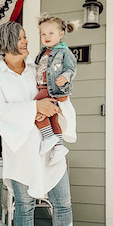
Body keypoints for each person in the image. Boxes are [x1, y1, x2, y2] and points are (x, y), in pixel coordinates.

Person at [0, 21, 91, 226]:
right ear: (7, 43)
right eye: (21, 38)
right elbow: (0, 111)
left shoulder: (37, 68)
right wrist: (35, 107)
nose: (26, 41)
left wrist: (50, 106)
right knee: (25, 207)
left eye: (25, 37)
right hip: (21, 152)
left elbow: (57, 93)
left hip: (50, 148)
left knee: (63, 203)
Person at [34, 14, 78, 165]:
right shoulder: (43, 52)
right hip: (44, 88)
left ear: (61, 34)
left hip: (52, 88)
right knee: (53, 118)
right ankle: (59, 147)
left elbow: (71, 68)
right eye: (43, 34)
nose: (46, 36)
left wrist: (65, 77)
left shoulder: (64, 52)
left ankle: (48, 137)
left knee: (32, 109)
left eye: (51, 33)